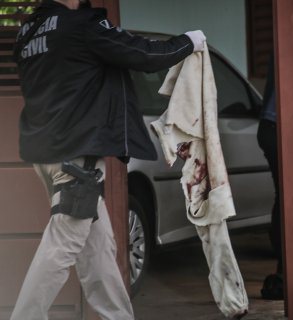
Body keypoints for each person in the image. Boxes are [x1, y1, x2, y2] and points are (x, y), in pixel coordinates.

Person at [11, 0, 206, 319]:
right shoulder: (81, 26)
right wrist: (188, 42)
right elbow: (143, 53)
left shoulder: (29, 32)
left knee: (97, 249)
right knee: (63, 242)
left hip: (48, 155)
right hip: (78, 158)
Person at [257, 55, 284, 300]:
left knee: (283, 198)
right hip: (278, 125)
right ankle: (284, 270)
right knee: (287, 198)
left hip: (271, 125)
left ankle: (283, 268)